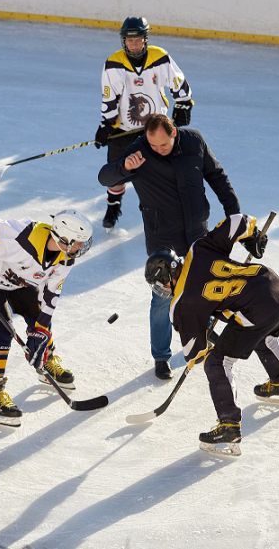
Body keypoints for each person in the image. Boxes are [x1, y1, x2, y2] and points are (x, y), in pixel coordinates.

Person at [98, 113, 240, 380]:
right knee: (163, 299)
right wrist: (125, 168)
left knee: (202, 286)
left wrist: (233, 212)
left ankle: (205, 330)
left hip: (197, 230)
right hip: (162, 237)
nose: (157, 150)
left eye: (162, 145)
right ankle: (161, 356)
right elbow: (104, 177)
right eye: (153, 145)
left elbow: (216, 175)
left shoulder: (193, 141)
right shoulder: (140, 150)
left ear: (174, 132)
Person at [144, 213, 279, 456]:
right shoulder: (197, 249)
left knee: (217, 362)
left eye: (160, 284)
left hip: (257, 309)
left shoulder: (181, 303)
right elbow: (238, 222)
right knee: (262, 336)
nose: (162, 290)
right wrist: (253, 238)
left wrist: (205, 327)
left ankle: (229, 426)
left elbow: (196, 352)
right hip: (277, 288)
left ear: (168, 275)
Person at [0, 210, 93, 427]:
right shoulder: (20, 237)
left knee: (39, 320)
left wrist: (40, 331)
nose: (81, 247)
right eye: (78, 242)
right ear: (64, 238)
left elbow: (51, 295)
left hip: (19, 282)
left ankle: (45, 358)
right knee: (1, 332)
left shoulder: (65, 258)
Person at [94, 16, 193, 230]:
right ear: (123, 41)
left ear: (145, 39)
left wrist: (184, 104)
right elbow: (110, 97)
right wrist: (106, 125)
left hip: (156, 129)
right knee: (115, 174)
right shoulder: (114, 63)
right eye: (129, 41)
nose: (134, 44)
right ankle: (113, 206)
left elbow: (178, 82)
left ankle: (161, 212)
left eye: (138, 39)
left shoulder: (160, 57)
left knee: (159, 173)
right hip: (124, 129)